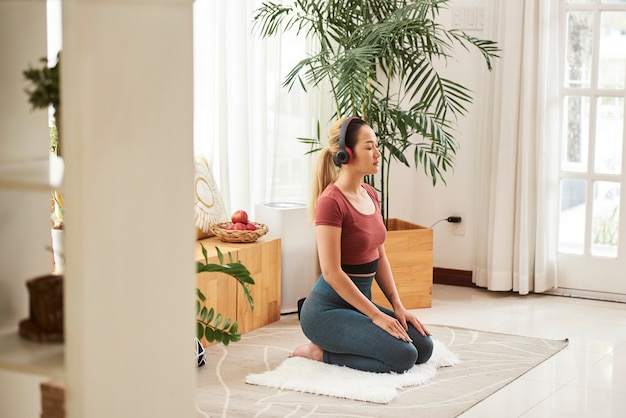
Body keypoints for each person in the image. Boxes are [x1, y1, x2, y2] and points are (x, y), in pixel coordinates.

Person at [291, 116, 434, 373]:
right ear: (347, 154)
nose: (377, 153)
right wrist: (377, 316)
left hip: (357, 306)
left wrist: (397, 306)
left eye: (376, 146)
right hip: (326, 312)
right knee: (403, 357)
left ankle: (355, 336)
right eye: (369, 147)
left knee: (423, 347)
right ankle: (319, 352)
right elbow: (332, 273)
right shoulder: (331, 202)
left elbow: (379, 255)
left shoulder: (370, 194)